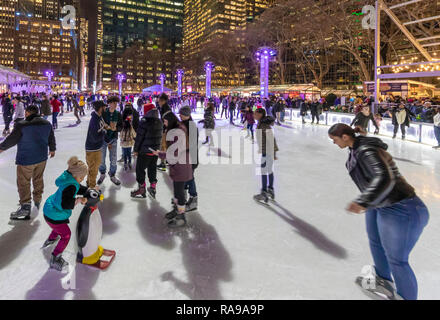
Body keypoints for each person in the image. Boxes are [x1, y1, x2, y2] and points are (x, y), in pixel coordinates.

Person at [328, 123, 429, 300]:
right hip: (380, 203)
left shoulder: (366, 150)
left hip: (401, 207)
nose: (334, 143)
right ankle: (383, 281)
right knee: (375, 242)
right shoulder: (356, 147)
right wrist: (369, 202)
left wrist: (363, 201)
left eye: (335, 140)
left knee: (397, 260)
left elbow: (383, 177)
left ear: (345, 137)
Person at [0, 105, 56, 220]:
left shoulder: (22, 125)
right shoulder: (46, 123)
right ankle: (37, 198)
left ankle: (25, 206)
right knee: (38, 178)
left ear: (27, 113)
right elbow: (51, 137)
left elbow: (12, 139)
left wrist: (1, 148)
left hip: (26, 159)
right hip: (41, 158)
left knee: (23, 182)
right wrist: (52, 149)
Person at [42, 157, 88, 271]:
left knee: (58, 226)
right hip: (54, 214)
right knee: (66, 235)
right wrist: (80, 200)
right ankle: (55, 258)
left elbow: (78, 187)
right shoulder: (71, 186)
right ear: (76, 176)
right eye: (81, 177)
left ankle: (51, 240)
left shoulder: (68, 178)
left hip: (49, 209)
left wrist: (88, 191)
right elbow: (66, 204)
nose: (82, 180)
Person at [151, 111, 193, 228]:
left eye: (165, 121)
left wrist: (161, 154)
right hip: (179, 164)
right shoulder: (177, 129)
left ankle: (181, 216)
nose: (164, 123)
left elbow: (174, 152)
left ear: (169, 120)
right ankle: (177, 210)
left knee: (179, 191)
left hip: (181, 165)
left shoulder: (177, 132)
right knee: (177, 190)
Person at [131, 103, 163, 199]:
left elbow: (139, 138)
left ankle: (141, 188)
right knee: (152, 168)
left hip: (144, 151)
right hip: (155, 151)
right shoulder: (159, 121)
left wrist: (136, 150)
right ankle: (153, 187)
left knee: (140, 170)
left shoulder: (144, 122)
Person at [253, 108, 279, 203]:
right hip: (266, 151)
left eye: (256, 113)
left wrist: (274, 153)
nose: (254, 114)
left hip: (267, 152)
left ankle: (264, 192)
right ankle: (270, 189)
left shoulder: (264, 126)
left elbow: (272, 140)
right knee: (269, 170)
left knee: (264, 171)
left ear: (260, 114)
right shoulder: (261, 124)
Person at [97, 96, 123, 186]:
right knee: (101, 158)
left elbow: (121, 126)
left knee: (113, 159)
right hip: (103, 139)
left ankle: (112, 174)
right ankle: (102, 173)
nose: (115, 105)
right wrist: (105, 127)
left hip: (113, 139)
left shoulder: (118, 114)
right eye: (113, 103)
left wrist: (116, 128)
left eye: (116, 103)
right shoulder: (104, 113)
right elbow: (99, 123)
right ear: (109, 103)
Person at [179, 106, 199, 212]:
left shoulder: (190, 126)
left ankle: (193, 199)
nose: (179, 115)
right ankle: (183, 197)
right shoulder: (184, 124)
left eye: (181, 114)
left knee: (189, 178)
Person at [85, 101, 107, 188]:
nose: (105, 108)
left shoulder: (99, 117)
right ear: (101, 108)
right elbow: (95, 137)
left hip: (97, 147)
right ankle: (92, 188)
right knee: (93, 170)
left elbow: (102, 127)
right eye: (104, 107)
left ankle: (88, 183)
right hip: (93, 149)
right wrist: (104, 133)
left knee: (92, 168)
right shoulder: (94, 120)